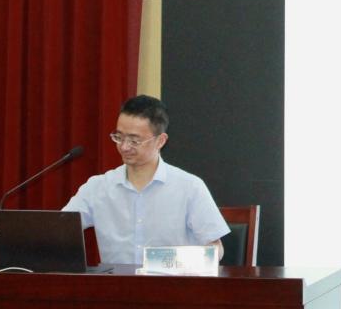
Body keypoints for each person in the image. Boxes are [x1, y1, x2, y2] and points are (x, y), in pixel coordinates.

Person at [64, 95, 229, 265]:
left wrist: (174, 263)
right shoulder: (97, 187)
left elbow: (216, 248)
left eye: (134, 140)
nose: (124, 147)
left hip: (171, 280)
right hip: (116, 282)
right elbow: (60, 231)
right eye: (119, 137)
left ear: (160, 141)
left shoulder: (189, 187)